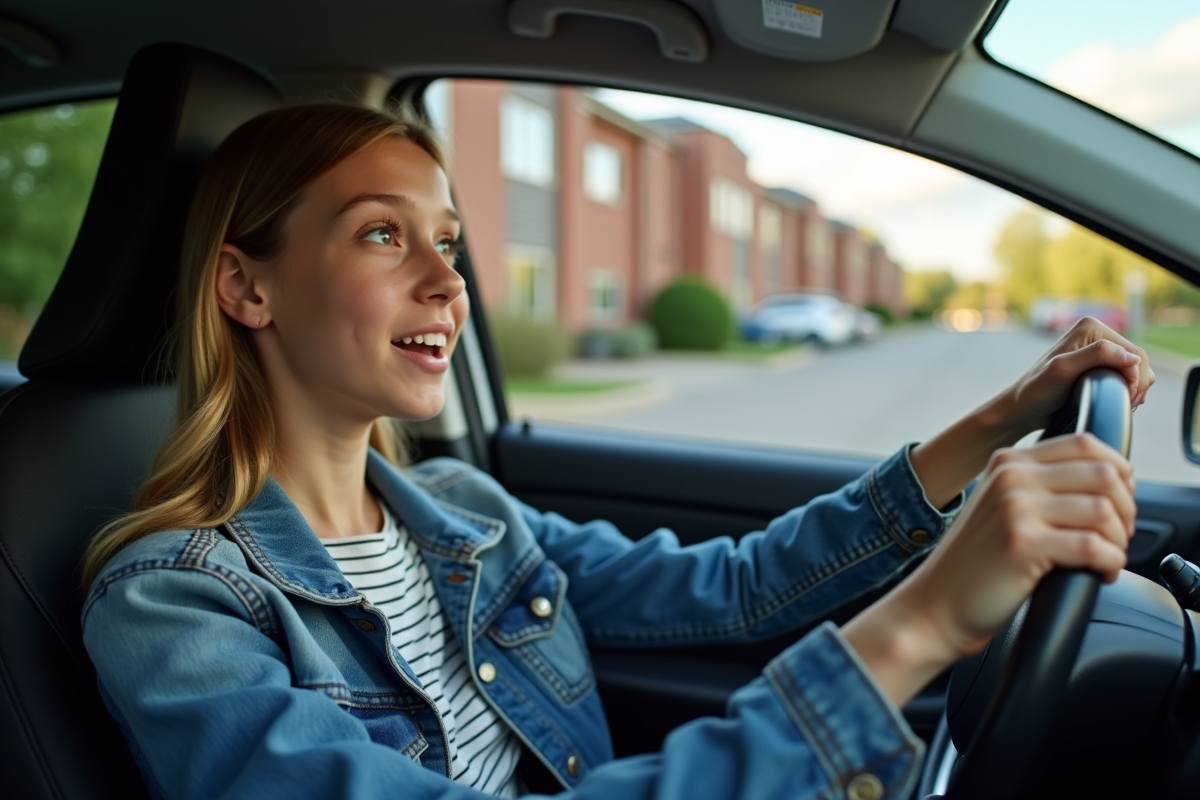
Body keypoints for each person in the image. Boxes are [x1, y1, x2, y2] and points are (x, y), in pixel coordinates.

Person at [80, 103, 1153, 800]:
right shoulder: (175, 604)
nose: (449, 282)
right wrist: (920, 623)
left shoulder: (466, 510)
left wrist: (997, 418)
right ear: (246, 287)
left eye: (448, 241)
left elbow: (731, 588)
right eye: (380, 233)